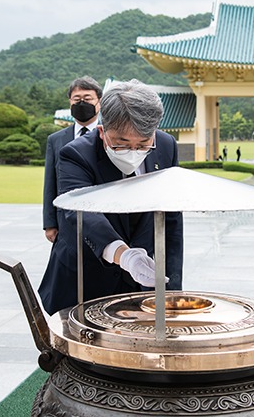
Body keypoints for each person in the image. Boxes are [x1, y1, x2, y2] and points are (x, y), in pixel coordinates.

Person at [38, 79, 183, 314]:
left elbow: (172, 218)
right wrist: (123, 255)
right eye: (121, 143)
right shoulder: (76, 153)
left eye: (144, 143)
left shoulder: (166, 146)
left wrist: (172, 288)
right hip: (84, 278)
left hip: (140, 282)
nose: (133, 152)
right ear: (102, 130)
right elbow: (80, 209)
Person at [42, 76, 102, 243]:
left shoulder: (110, 135)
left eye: (88, 98)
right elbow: (50, 182)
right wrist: (49, 223)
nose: (81, 103)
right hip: (65, 218)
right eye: (77, 99)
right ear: (70, 102)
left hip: (102, 216)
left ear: (99, 102)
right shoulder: (56, 139)